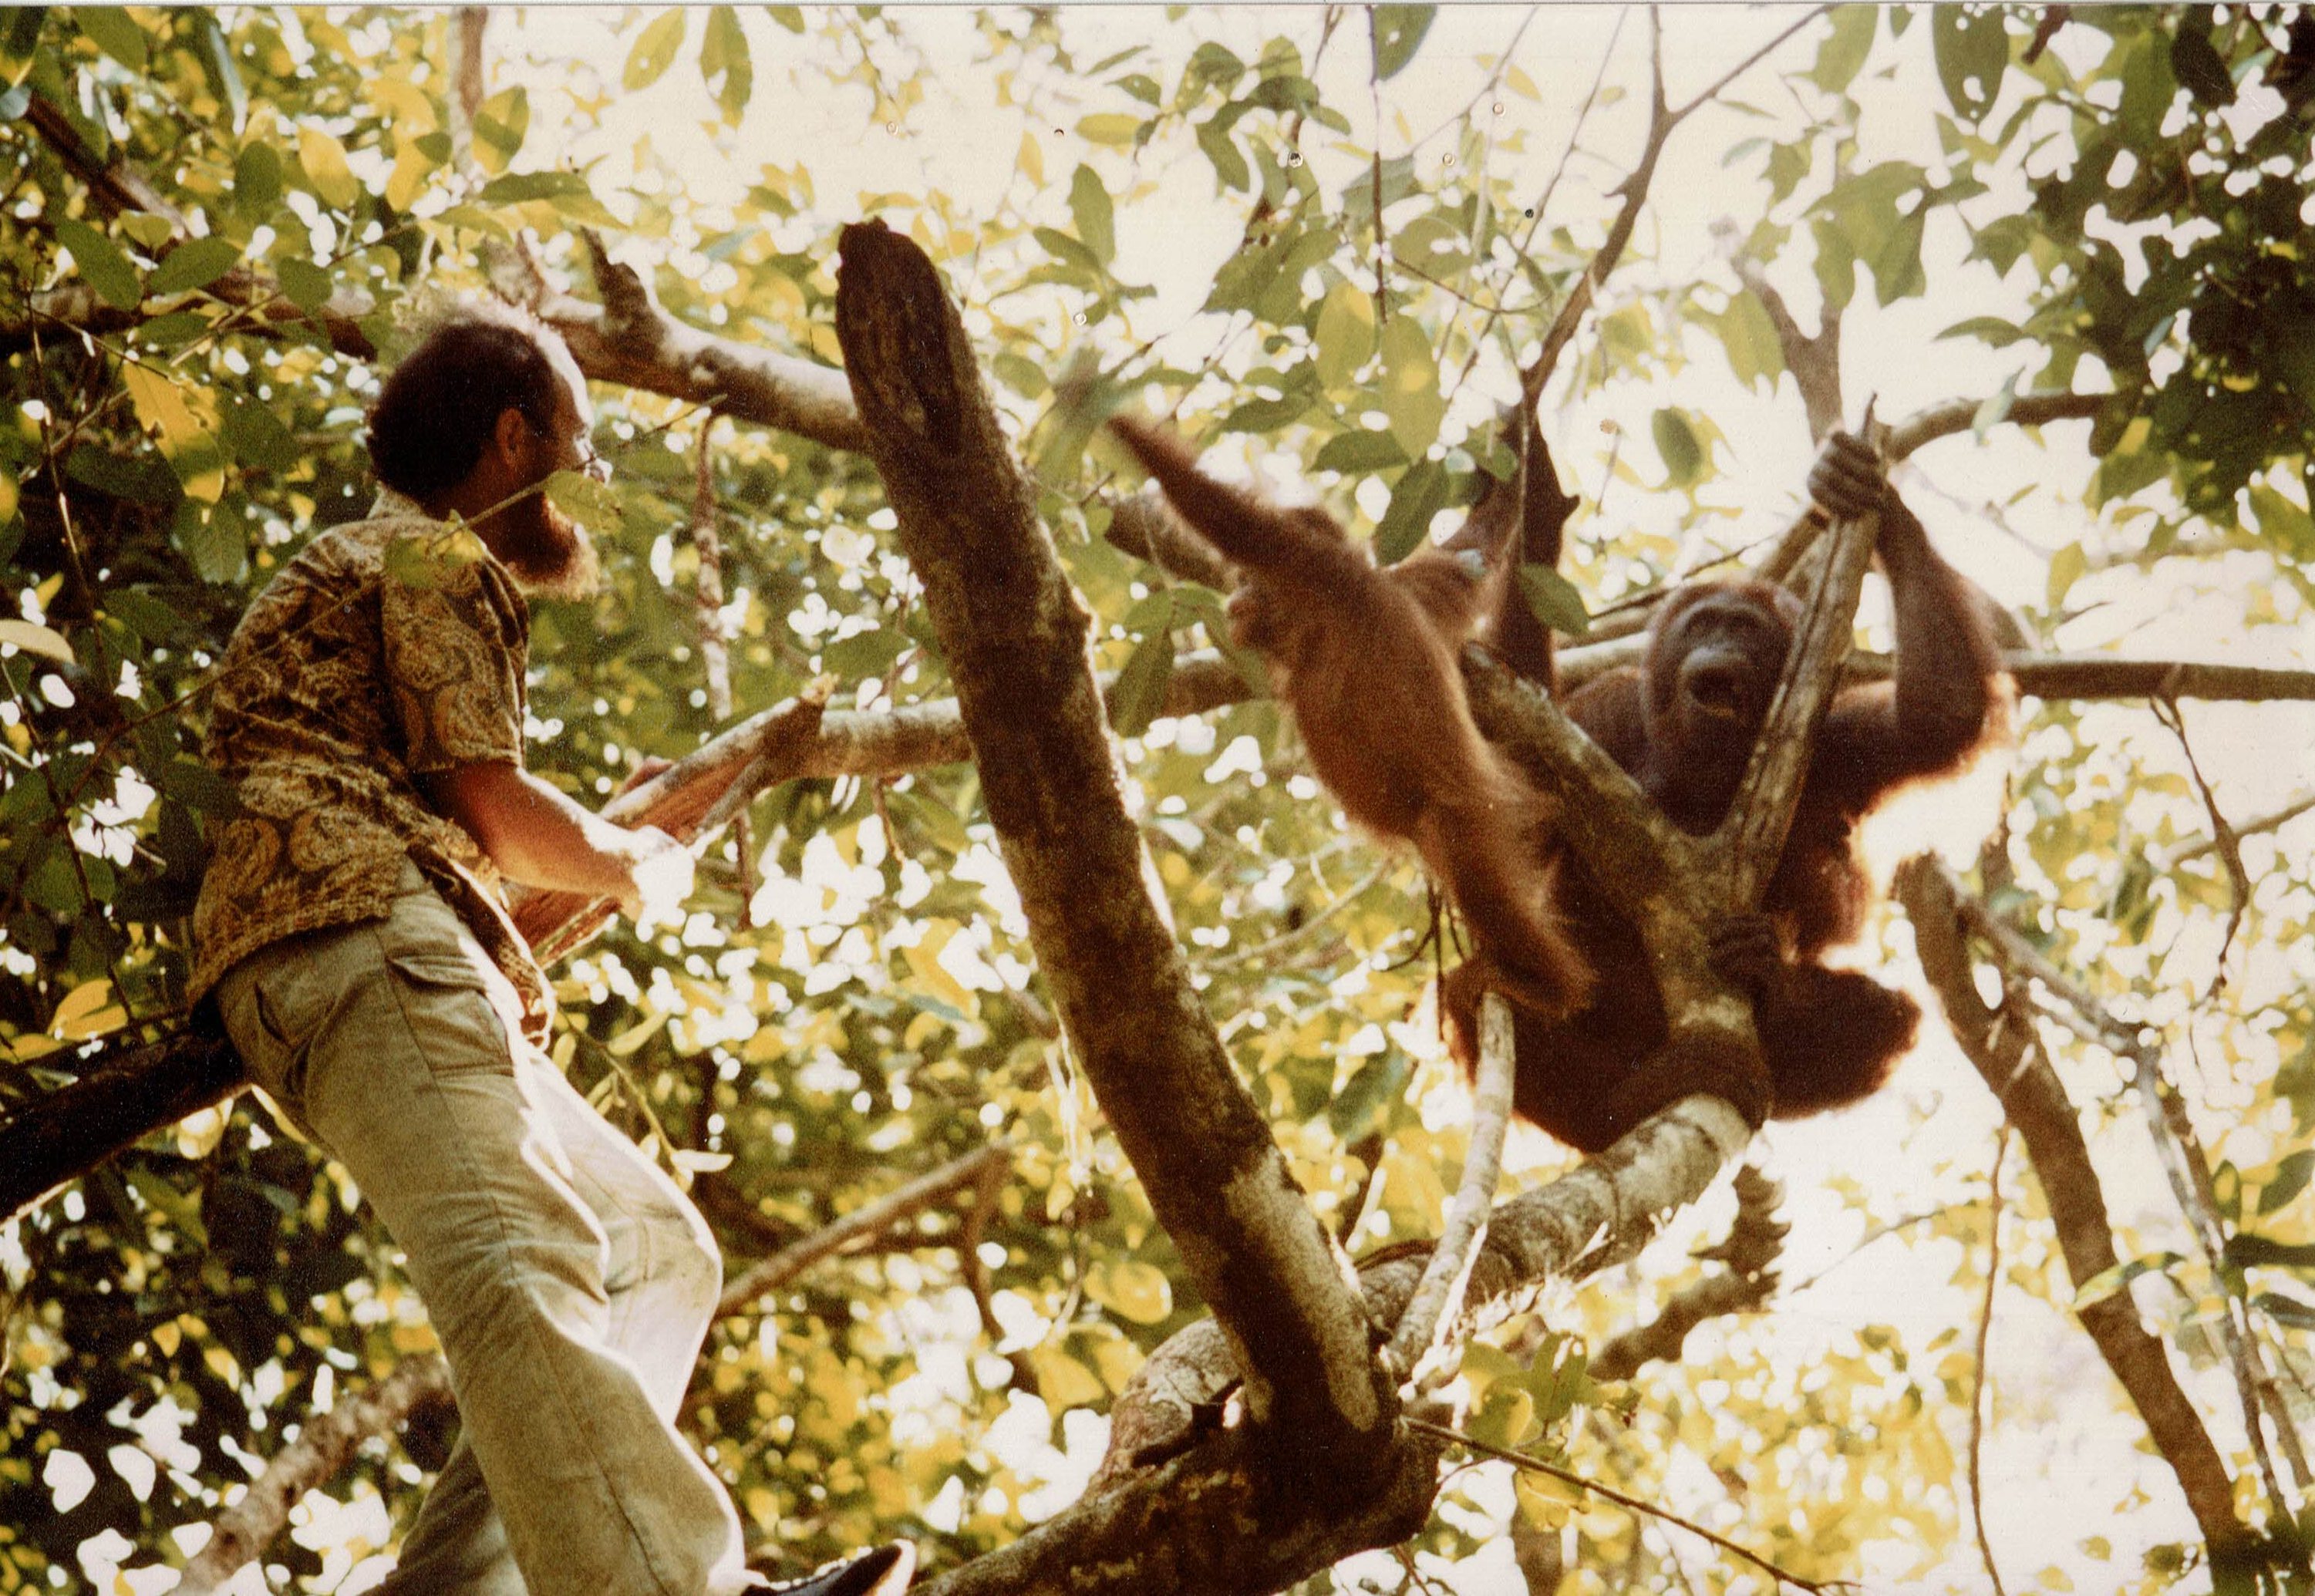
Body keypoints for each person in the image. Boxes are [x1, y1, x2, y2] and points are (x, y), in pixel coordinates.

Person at [190, 303, 913, 1596]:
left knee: (652, 1248)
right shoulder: (432, 556)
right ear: (514, 437)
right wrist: (629, 857)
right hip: (358, 938)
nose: (589, 478)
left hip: (366, 947)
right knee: (520, 1261)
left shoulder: (374, 569)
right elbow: (492, 806)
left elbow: (471, 839)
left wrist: (600, 837)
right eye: (579, 443)